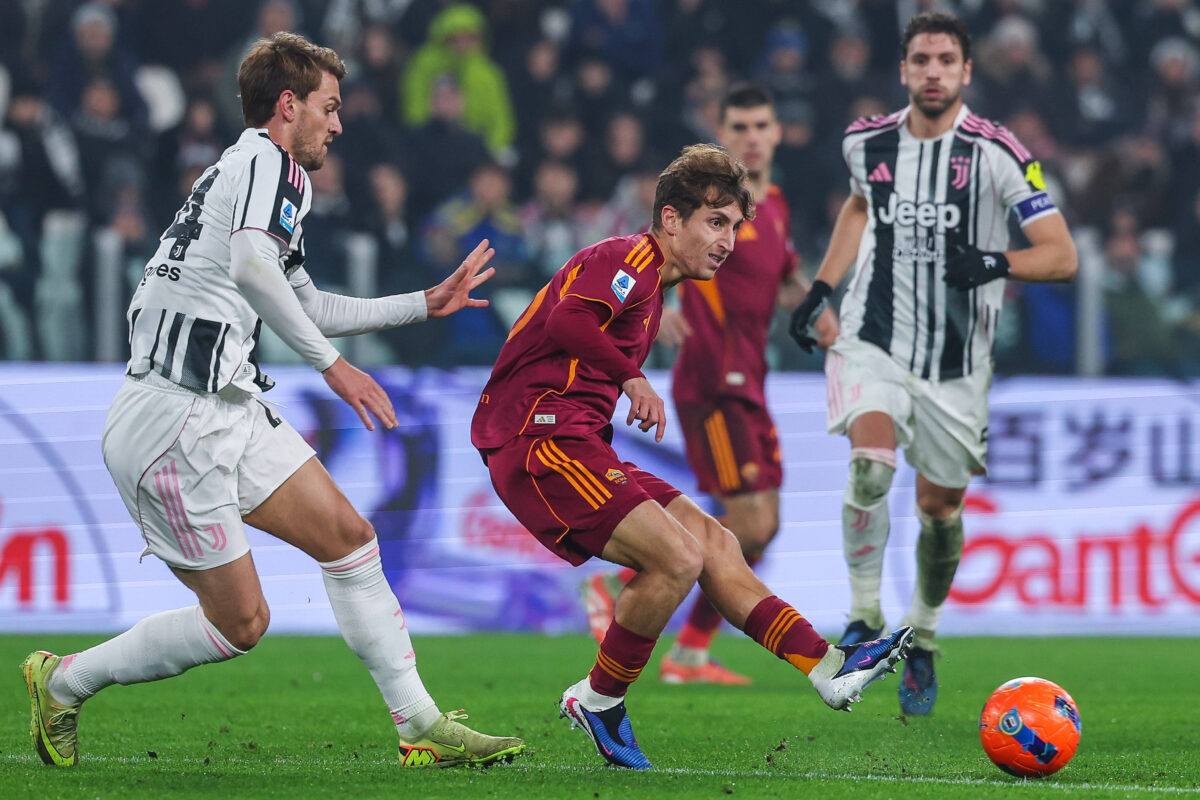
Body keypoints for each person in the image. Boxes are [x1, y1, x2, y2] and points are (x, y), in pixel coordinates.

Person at [20, 31, 525, 769]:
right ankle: (63, 681)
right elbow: (253, 266)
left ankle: (419, 724)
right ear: (288, 105)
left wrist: (423, 302)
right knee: (242, 622)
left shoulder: (251, 174)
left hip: (224, 405)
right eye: (329, 106)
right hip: (172, 421)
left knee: (349, 539)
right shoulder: (268, 161)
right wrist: (334, 370)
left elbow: (302, 300)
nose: (339, 123)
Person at [471, 143, 914, 770]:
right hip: (535, 436)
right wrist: (634, 379)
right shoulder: (629, 257)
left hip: (576, 439)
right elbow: (568, 323)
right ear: (671, 219)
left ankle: (827, 667)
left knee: (715, 543)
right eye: (715, 222)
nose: (729, 240)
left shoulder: (657, 290)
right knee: (676, 557)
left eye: (735, 226)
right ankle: (598, 699)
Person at [788, 11, 1077, 717]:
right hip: (873, 337)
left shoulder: (1000, 153)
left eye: (947, 59)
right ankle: (862, 620)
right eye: (922, 59)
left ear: (967, 71)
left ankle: (922, 636)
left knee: (938, 510)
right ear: (903, 70)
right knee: (869, 465)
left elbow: (1062, 254)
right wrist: (822, 288)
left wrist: (993, 262)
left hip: (956, 363)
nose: (934, 71)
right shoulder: (866, 140)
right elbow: (860, 205)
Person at [579, 84, 838, 686]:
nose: (751, 136)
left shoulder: (770, 209)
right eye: (739, 125)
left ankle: (691, 652)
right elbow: (651, 258)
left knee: (764, 525)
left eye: (760, 125)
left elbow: (787, 270)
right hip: (712, 380)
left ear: (776, 134)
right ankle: (618, 583)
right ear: (723, 131)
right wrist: (656, 301)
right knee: (744, 523)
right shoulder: (703, 212)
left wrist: (818, 310)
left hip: (754, 381)